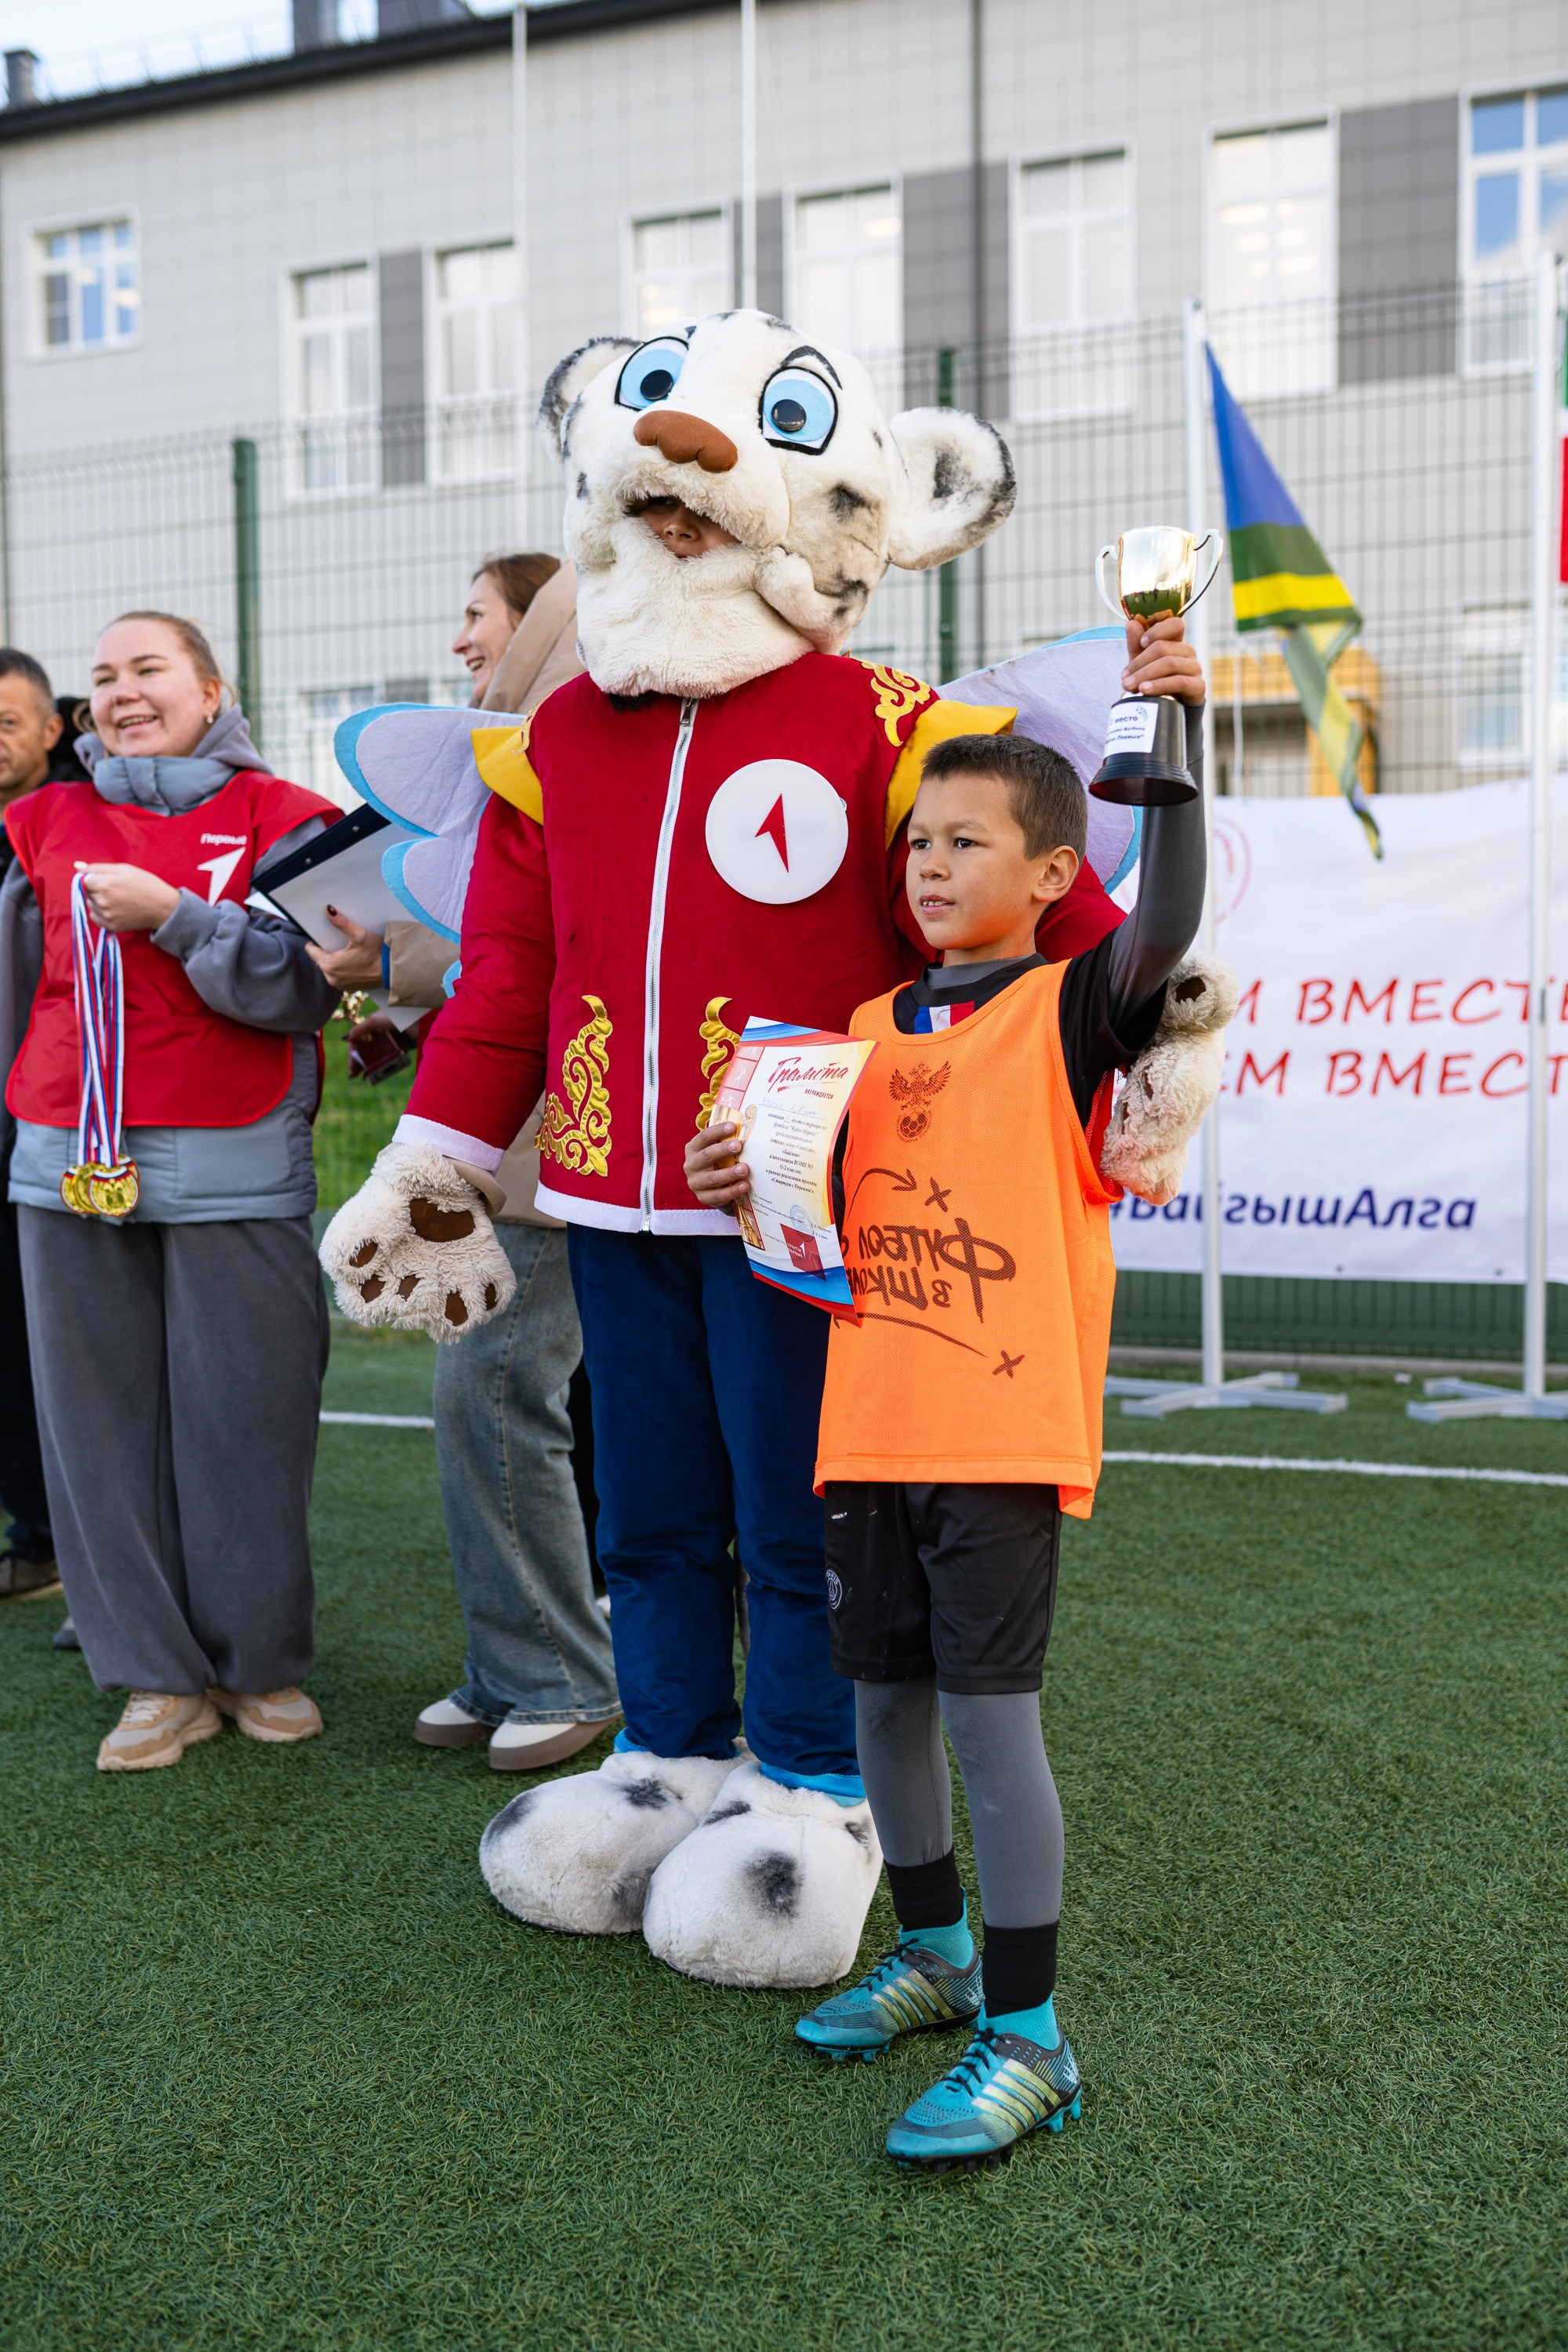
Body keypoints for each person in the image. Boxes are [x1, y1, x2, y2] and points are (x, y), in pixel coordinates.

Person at [319, 307, 1132, 1992]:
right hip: (611, 1195)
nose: (682, 483)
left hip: (801, 1216)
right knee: (651, 1515)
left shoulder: (885, 719)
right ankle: (668, 1757)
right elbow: (507, 980)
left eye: (723, 467)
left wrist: (1148, 1036)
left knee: (800, 1518)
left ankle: (816, 1791)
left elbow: (1050, 916)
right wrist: (438, 1158)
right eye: (656, 467)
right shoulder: (557, 743)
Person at [688, 633, 1210, 2169]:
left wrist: (1166, 716)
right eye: (914, 839)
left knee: (992, 1729)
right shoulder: (848, 1038)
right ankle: (933, 1954)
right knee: (884, 1710)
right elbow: (818, 1228)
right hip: (868, 1427)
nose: (924, 862)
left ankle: (1032, 2038)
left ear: (1052, 874)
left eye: (964, 840)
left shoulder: (1065, 1012)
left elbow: (1170, 913)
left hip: (997, 1433)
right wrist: (745, 1185)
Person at [0, 611, 343, 1770]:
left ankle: (258, 1663)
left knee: (247, 1420)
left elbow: (307, 987)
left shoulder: (285, 818)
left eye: (149, 669)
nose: (122, 692)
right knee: (92, 1432)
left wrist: (177, 918)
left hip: (236, 1156)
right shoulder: (42, 819)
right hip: (65, 1157)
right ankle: (150, 1675)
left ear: (211, 688)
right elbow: (20, 986)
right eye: (102, 677)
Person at [309, 555, 619, 1769]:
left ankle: (557, 1671)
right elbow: (508, 955)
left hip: (558, 1139)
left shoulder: (574, 731)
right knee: (499, 1396)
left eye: (482, 620)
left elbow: (528, 956)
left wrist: (398, 968)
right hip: (528, 1136)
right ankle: (522, 1665)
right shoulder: (535, 757)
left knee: (499, 1393)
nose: (465, 643)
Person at [0, 648, 74, 1605]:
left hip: (46, 1129)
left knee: (36, 1348)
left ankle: (55, 1537)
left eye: (7, 720)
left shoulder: (66, 823)